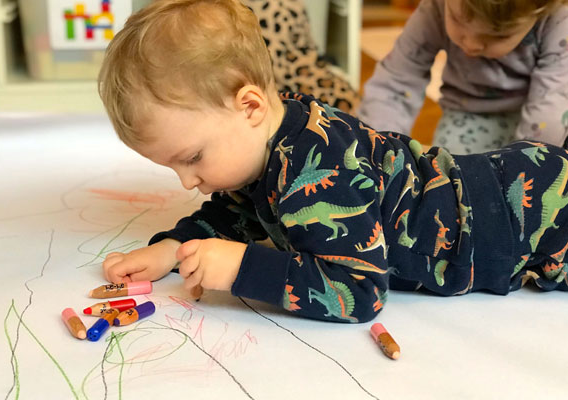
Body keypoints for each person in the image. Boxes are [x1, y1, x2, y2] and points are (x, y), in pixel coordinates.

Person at [98, 0, 568, 324]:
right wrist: (171, 250)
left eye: (193, 158)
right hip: (502, 184)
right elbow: (235, 213)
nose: (187, 182)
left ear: (250, 106)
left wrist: (244, 268)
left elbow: (359, 290)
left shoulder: (316, 169)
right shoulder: (267, 139)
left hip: (524, 221)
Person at [358, 0, 568, 154]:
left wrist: (525, 166)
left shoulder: (559, 20)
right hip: (468, 112)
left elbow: (551, 112)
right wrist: (378, 147)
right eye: (458, 20)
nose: (471, 45)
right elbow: (396, 79)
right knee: (452, 185)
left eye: (498, 35)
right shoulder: (436, 7)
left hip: (540, 119)